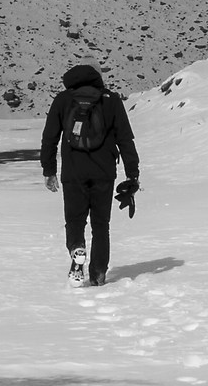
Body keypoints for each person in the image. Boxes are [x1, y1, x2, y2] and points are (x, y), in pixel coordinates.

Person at [40, 63, 139, 287]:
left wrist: (49, 170)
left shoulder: (64, 100)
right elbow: (125, 139)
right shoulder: (111, 100)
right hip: (104, 172)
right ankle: (98, 273)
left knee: (74, 220)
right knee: (101, 224)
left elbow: (50, 137)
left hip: (73, 172)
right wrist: (133, 173)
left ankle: (77, 248)